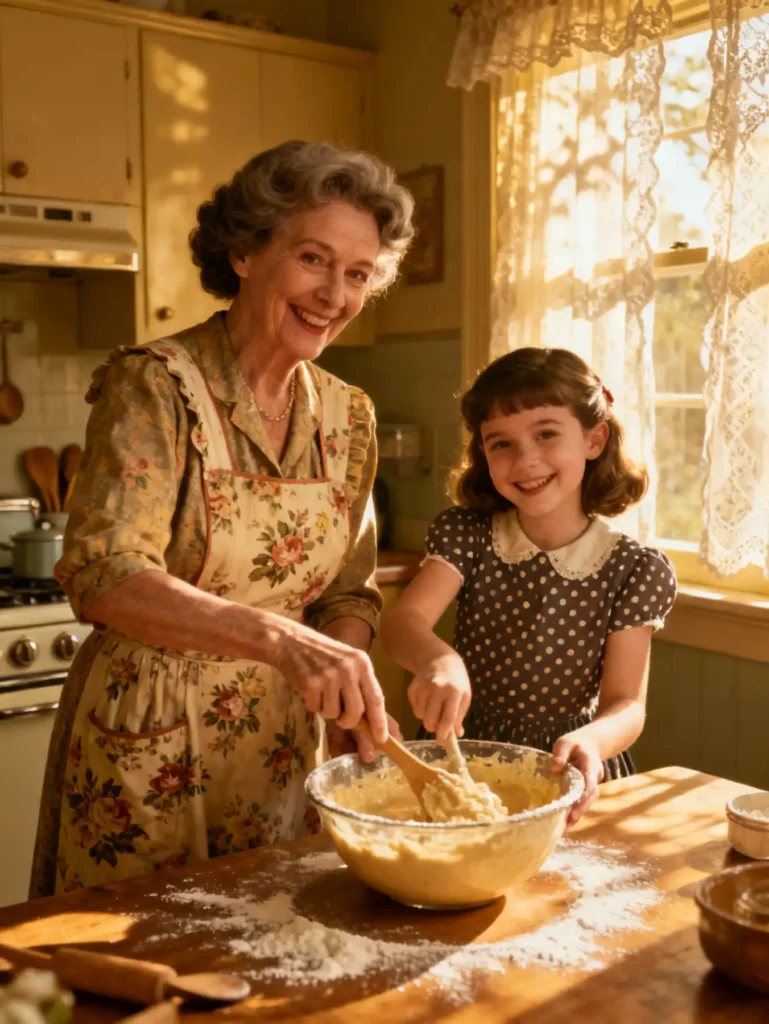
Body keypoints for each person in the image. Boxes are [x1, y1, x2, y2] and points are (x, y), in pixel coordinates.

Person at [31, 140, 415, 896]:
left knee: (271, 962)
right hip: (148, 743)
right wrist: (284, 642)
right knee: (138, 971)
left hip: (280, 747)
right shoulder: (154, 386)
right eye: (313, 258)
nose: (334, 294)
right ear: (244, 252)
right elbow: (103, 574)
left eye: (357, 273)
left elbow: (345, 590)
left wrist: (339, 687)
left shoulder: (351, 416)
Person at [381, 347, 677, 824]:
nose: (526, 460)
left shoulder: (632, 569)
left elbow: (626, 704)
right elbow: (402, 622)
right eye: (501, 443)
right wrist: (437, 660)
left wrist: (594, 740)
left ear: (594, 439)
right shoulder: (470, 536)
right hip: (462, 755)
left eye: (546, 434)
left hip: (570, 768)